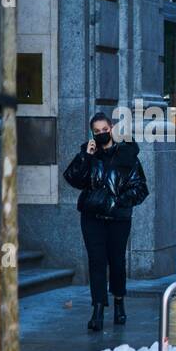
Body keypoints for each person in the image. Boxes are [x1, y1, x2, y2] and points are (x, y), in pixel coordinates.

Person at [64, 113, 150, 331]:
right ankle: (98, 310)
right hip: (91, 217)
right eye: (97, 131)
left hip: (118, 218)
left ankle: (119, 302)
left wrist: (118, 201)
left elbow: (141, 188)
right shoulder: (89, 154)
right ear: (92, 133)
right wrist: (86, 156)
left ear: (111, 128)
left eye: (105, 129)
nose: (101, 133)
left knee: (117, 262)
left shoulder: (127, 154)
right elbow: (72, 178)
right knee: (96, 262)